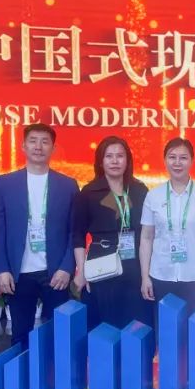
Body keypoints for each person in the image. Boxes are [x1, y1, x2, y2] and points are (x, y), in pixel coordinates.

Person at [0, 123, 79, 349]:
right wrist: (1, 269)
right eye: (33, 141)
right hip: (18, 274)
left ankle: (56, 374)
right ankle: (22, 373)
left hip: (56, 273)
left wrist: (67, 267)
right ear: (23, 146)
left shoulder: (68, 185)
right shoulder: (4, 184)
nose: (38, 146)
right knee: (20, 336)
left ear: (53, 148)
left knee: (61, 336)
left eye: (45, 142)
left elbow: (74, 231)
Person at [72, 136, 150, 329]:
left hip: (135, 263)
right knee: (106, 326)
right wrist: (82, 271)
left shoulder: (140, 190)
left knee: (136, 326)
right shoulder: (89, 192)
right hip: (102, 263)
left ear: (128, 160)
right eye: (109, 156)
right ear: (101, 161)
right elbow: (77, 235)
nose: (115, 161)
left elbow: (149, 233)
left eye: (120, 156)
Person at [140, 137, 195, 317]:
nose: (177, 163)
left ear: (192, 161)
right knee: (166, 329)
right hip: (161, 274)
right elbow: (146, 238)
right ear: (165, 160)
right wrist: (145, 277)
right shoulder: (153, 195)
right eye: (172, 157)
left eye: (183, 158)